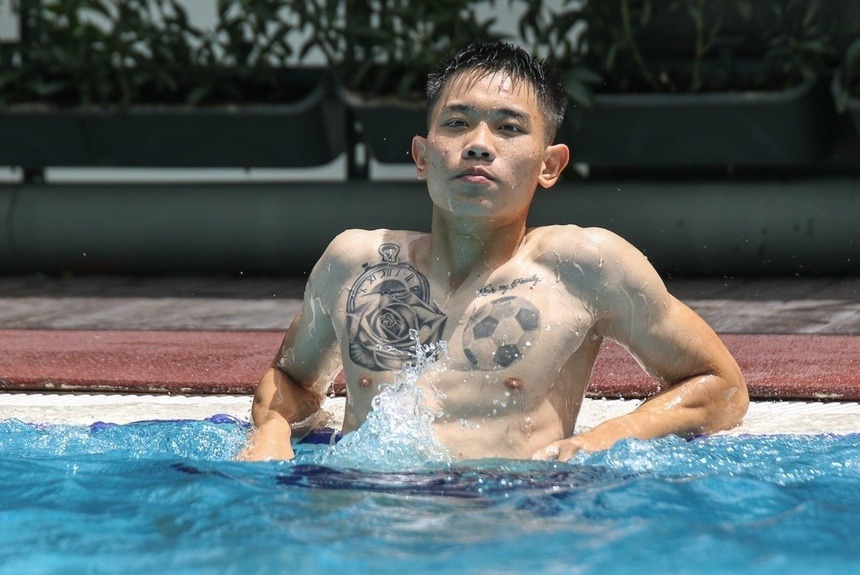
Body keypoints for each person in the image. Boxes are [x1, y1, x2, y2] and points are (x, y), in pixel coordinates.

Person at [238, 42, 748, 462]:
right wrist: (272, 432)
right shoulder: (355, 263)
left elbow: (721, 386)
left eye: (509, 128)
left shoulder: (584, 266)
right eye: (457, 123)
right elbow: (290, 381)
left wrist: (604, 438)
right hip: (366, 516)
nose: (479, 144)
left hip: (510, 519)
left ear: (550, 165)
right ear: (421, 155)